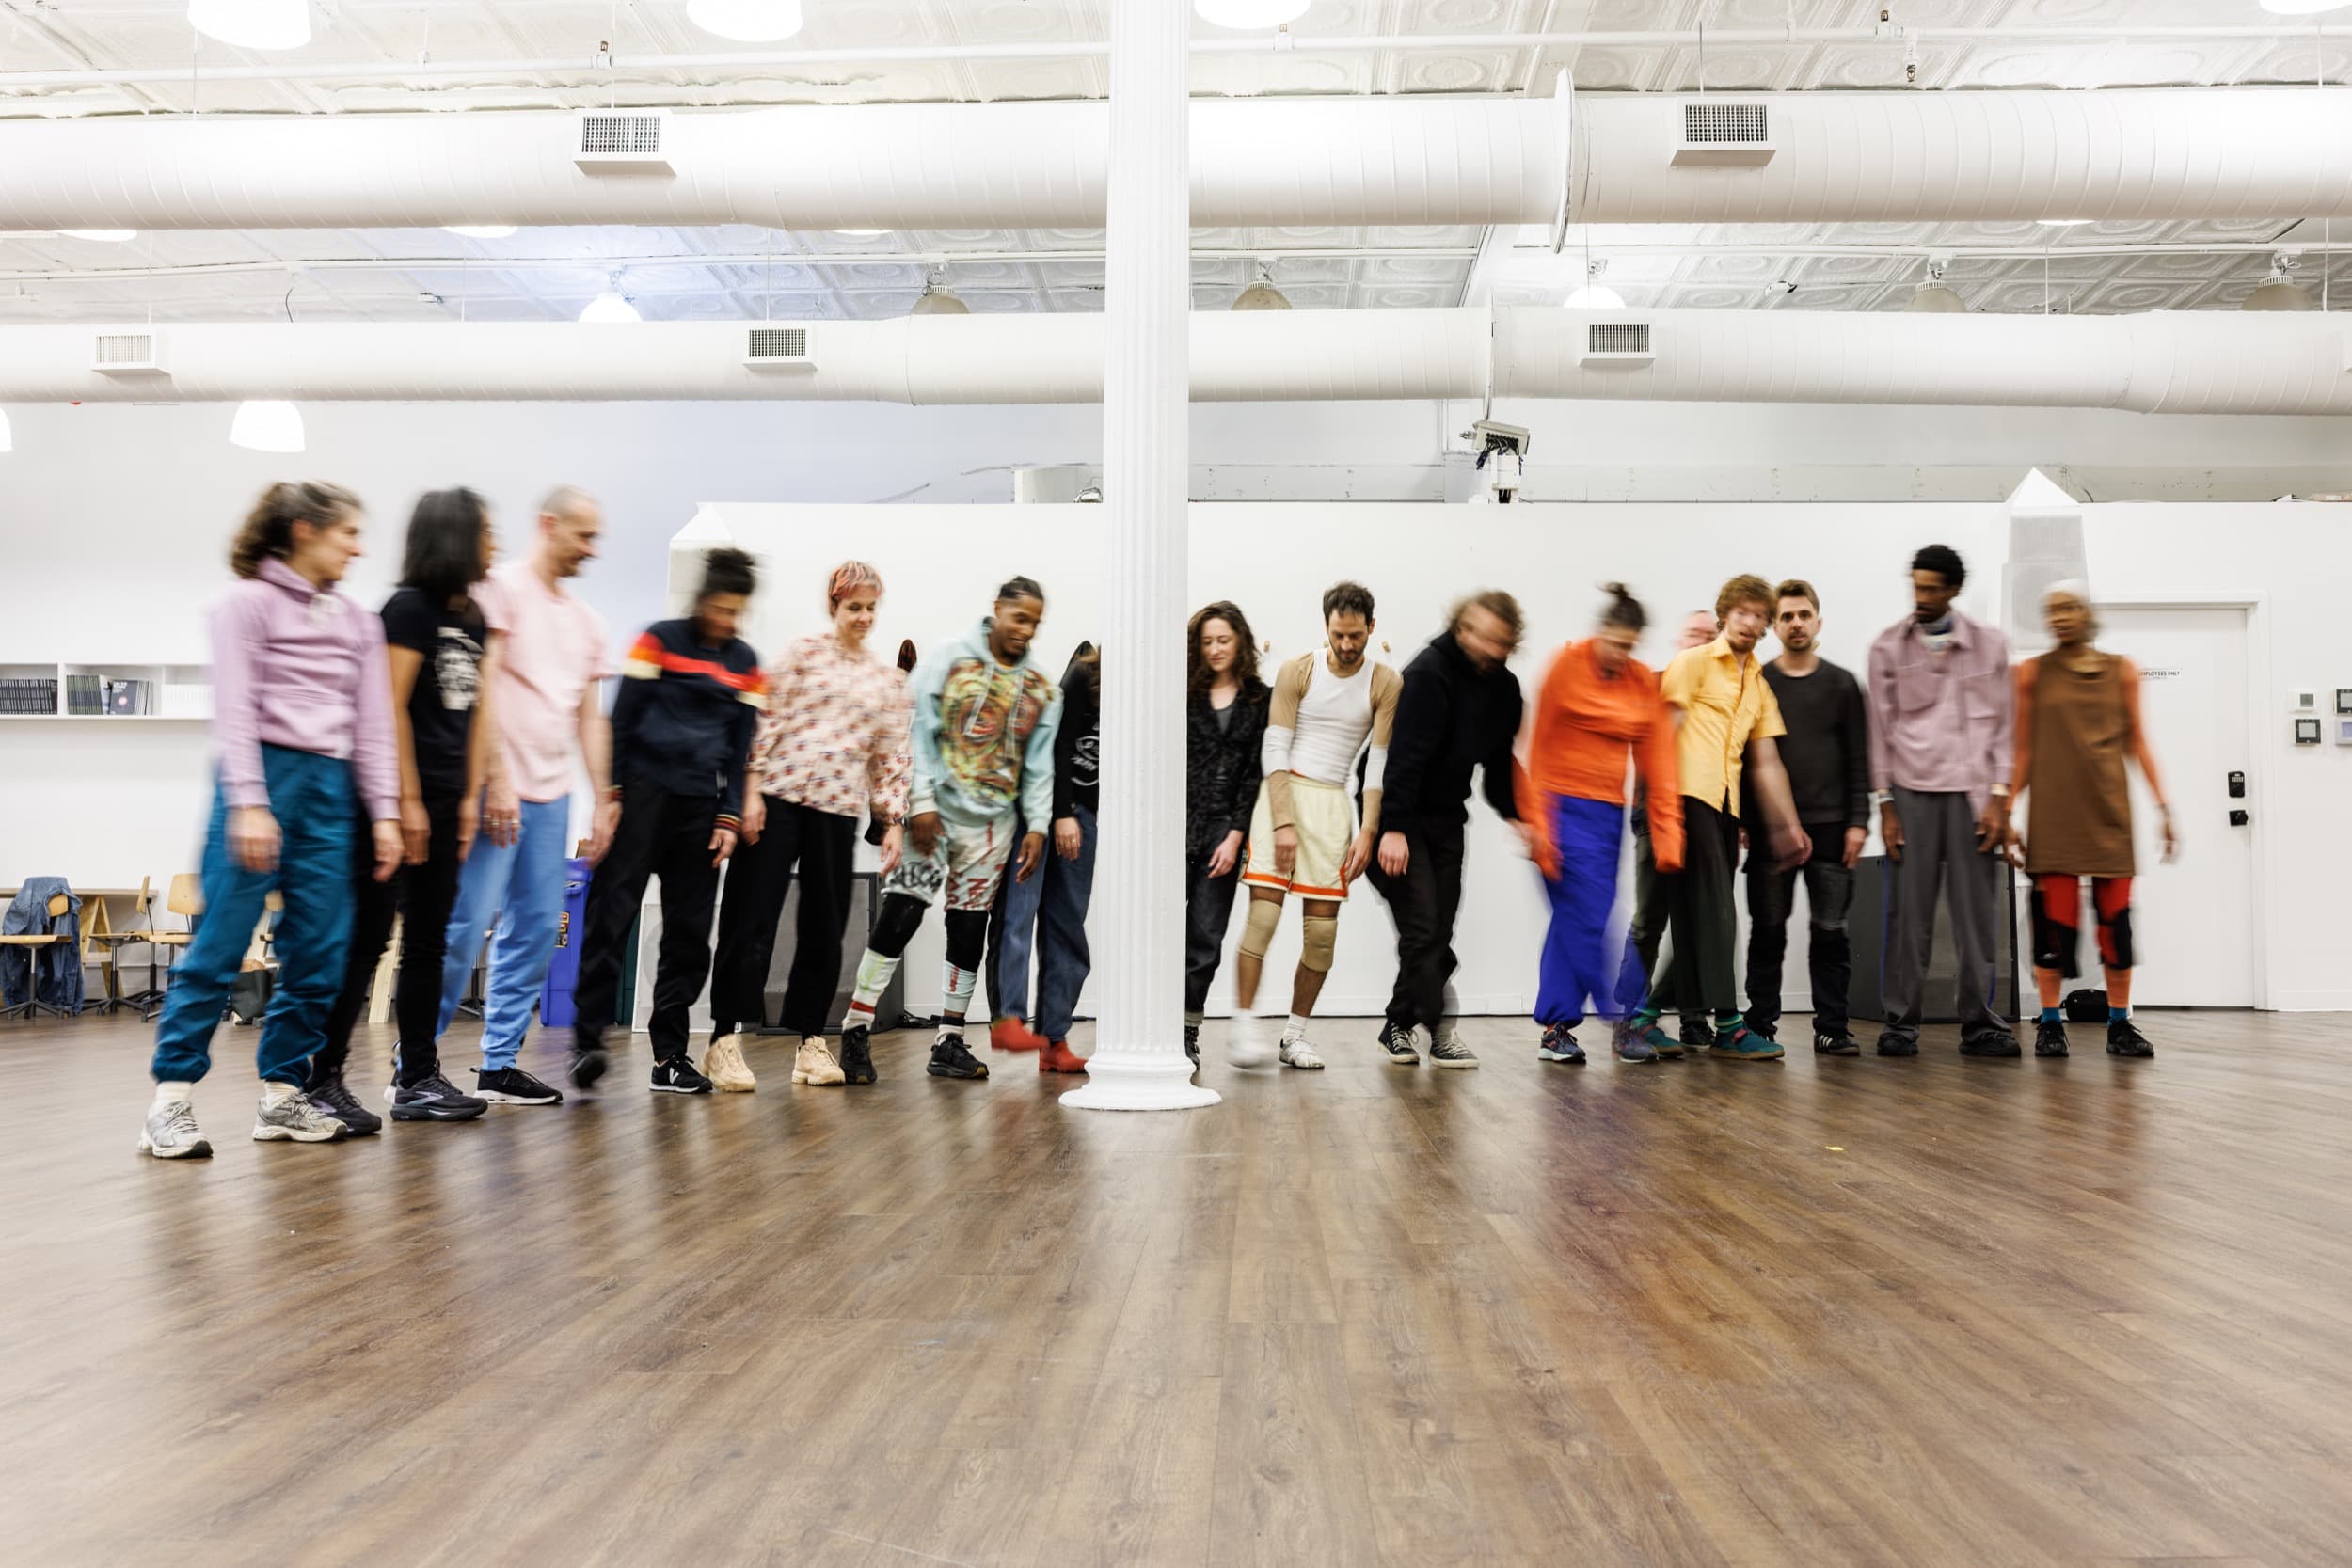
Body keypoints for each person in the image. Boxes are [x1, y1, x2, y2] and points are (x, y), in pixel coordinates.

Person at [140, 483, 404, 1158]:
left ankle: (283, 1093)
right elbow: (235, 708)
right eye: (347, 532)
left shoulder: (358, 620)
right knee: (221, 945)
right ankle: (170, 1100)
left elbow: (372, 725)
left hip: (330, 787)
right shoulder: (243, 604)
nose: (358, 546)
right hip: (257, 778)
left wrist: (383, 814)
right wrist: (252, 801)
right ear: (301, 530)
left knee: (320, 951)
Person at [309, 489, 500, 1132]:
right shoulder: (407, 610)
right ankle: (321, 1078)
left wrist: (468, 800)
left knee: (428, 943)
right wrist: (405, 800)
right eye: (485, 532)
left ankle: (415, 1077)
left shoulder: (474, 616)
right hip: (390, 804)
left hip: (447, 803)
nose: (494, 544)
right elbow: (388, 708)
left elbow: (476, 715)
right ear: (454, 537)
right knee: (364, 942)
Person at [833, 578, 1060, 1085]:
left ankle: (949, 1039)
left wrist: (1038, 825)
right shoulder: (948, 657)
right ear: (998, 609)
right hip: (934, 816)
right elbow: (920, 732)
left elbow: (1039, 765)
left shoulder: (1043, 686)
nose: (1026, 630)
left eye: (1034, 622)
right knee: (902, 913)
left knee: (967, 928)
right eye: (1019, 617)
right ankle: (857, 1027)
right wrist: (922, 804)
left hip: (993, 826)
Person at [434, 485, 613, 1108]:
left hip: (551, 794)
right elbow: (480, 686)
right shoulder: (501, 589)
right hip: (493, 789)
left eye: (596, 537)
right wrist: (496, 778)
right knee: (463, 926)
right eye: (583, 535)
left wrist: (604, 797)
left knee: (537, 928)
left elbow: (590, 718)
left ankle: (498, 1062)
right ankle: (415, 1062)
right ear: (548, 524)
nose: (592, 549)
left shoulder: (588, 620)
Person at [568, 547, 765, 1093]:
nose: (727, 620)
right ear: (702, 600)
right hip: (641, 801)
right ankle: (587, 1043)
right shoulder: (657, 639)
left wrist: (727, 817)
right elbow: (621, 720)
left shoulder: (746, 663)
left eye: (736, 611)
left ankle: (670, 1058)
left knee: (688, 936)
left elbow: (738, 748)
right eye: (720, 608)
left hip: (700, 813)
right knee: (611, 919)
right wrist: (609, 797)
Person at [708, 561, 911, 1087]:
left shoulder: (883, 681)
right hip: (778, 798)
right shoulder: (802, 654)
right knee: (752, 916)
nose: (863, 617)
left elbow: (888, 756)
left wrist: (892, 821)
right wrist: (750, 791)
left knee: (825, 927)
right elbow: (764, 719)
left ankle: (810, 1042)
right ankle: (723, 1039)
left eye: (871, 608)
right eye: (854, 607)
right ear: (834, 607)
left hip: (836, 810)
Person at [1625, 575, 1810, 1062]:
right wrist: (1664, 817)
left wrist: (1788, 826)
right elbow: (1665, 736)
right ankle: (1728, 1024)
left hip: (1724, 809)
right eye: (1741, 612)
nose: (1750, 622)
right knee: (1716, 919)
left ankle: (1644, 1019)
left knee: (1698, 923)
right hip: (1686, 801)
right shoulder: (1694, 663)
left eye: (1758, 615)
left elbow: (1766, 761)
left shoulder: (1757, 683)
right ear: (1725, 615)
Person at [1232, 581, 1401, 1069]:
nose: (1347, 645)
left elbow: (1377, 766)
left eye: (1355, 635)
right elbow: (1275, 748)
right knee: (1262, 919)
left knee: (1322, 936)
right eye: (1338, 635)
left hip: (1332, 807)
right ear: (1325, 628)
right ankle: (1243, 1028)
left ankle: (1294, 1035)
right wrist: (1282, 822)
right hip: (1282, 798)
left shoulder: (1385, 682)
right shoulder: (1297, 670)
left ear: (1372, 627)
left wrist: (1368, 830)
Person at [1364, 591, 1530, 1069]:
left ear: (1509, 643)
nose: (1482, 644)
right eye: (1474, 631)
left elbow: (1498, 766)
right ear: (1460, 628)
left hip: (1445, 817)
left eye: (1496, 639)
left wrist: (1519, 815)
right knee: (1421, 928)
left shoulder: (1505, 690)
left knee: (1437, 928)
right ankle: (1438, 1027)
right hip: (1398, 811)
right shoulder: (1428, 673)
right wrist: (1391, 828)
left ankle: (1402, 1024)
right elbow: (1402, 757)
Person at [1867, 543, 2019, 1058]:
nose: (1922, 596)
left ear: (1954, 589)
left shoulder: (1990, 645)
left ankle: (1980, 1024)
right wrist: (1885, 806)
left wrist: (2001, 798)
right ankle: (1901, 1025)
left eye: (1932, 588)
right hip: (1911, 794)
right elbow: (1879, 733)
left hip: (1975, 797)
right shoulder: (1888, 647)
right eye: (1917, 586)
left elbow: (2005, 727)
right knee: (1908, 916)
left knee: (1977, 916)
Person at [2008, 581, 2171, 1060]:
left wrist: (2164, 809)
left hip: (2108, 815)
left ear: (2088, 615)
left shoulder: (2122, 672)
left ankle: (2120, 1024)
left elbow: (2137, 742)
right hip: (2053, 817)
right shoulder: (2030, 675)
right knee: (2053, 927)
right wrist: (2004, 809)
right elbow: (2023, 749)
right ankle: (2051, 1022)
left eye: (2069, 608)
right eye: (2052, 610)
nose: (2060, 617)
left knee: (2115, 926)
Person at [1523, 585, 1683, 1066]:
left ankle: (1558, 1028)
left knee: (1577, 916)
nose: (1621, 653)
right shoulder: (1564, 668)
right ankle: (1619, 1015)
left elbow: (1658, 765)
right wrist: (1539, 825)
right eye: (1614, 643)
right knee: (1586, 919)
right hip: (1559, 808)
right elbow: (1539, 750)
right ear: (1600, 633)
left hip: (1607, 815)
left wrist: (1669, 833)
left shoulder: (1638, 682)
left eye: (1630, 646)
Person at [1741, 579, 1871, 1056]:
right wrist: (1744, 818)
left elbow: (1860, 757)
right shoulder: (1758, 681)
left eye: (1803, 615)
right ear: (1774, 626)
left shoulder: (1842, 684)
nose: (1796, 623)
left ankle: (1832, 1028)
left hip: (1834, 827)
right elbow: (1743, 757)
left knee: (1831, 933)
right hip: (1770, 831)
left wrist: (1859, 821)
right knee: (1768, 931)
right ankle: (1760, 1025)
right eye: (1786, 616)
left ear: (1818, 620)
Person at [984, 639, 1094, 1065]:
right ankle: (1007, 1019)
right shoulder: (1085, 673)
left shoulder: (1144, 694)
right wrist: (1060, 812)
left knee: (1068, 924)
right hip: (1041, 807)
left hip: (1084, 815)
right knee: (1018, 913)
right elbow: (1056, 747)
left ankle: (1054, 1039)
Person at [1620, 609, 1721, 1055]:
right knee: (1649, 922)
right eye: (1694, 635)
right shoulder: (1655, 685)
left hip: (1705, 818)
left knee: (1700, 924)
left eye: (1709, 637)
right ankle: (1631, 1017)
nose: (1701, 643)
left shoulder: (1721, 692)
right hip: (1654, 815)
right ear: (1680, 641)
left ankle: (1688, 1016)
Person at [1184, 602, 1271, 1070]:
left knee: (1206, 938)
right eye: (1207, 641)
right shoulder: (1183, 694)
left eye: (1224, 639)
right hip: (1178, 824)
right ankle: (1153, 1028)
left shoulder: (1260, 699)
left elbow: (1254, 776)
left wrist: (1236, 835)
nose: (1215, 649)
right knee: (1163, 935)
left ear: (1240, 642)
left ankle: (1187, 1031)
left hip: (1225, 829)